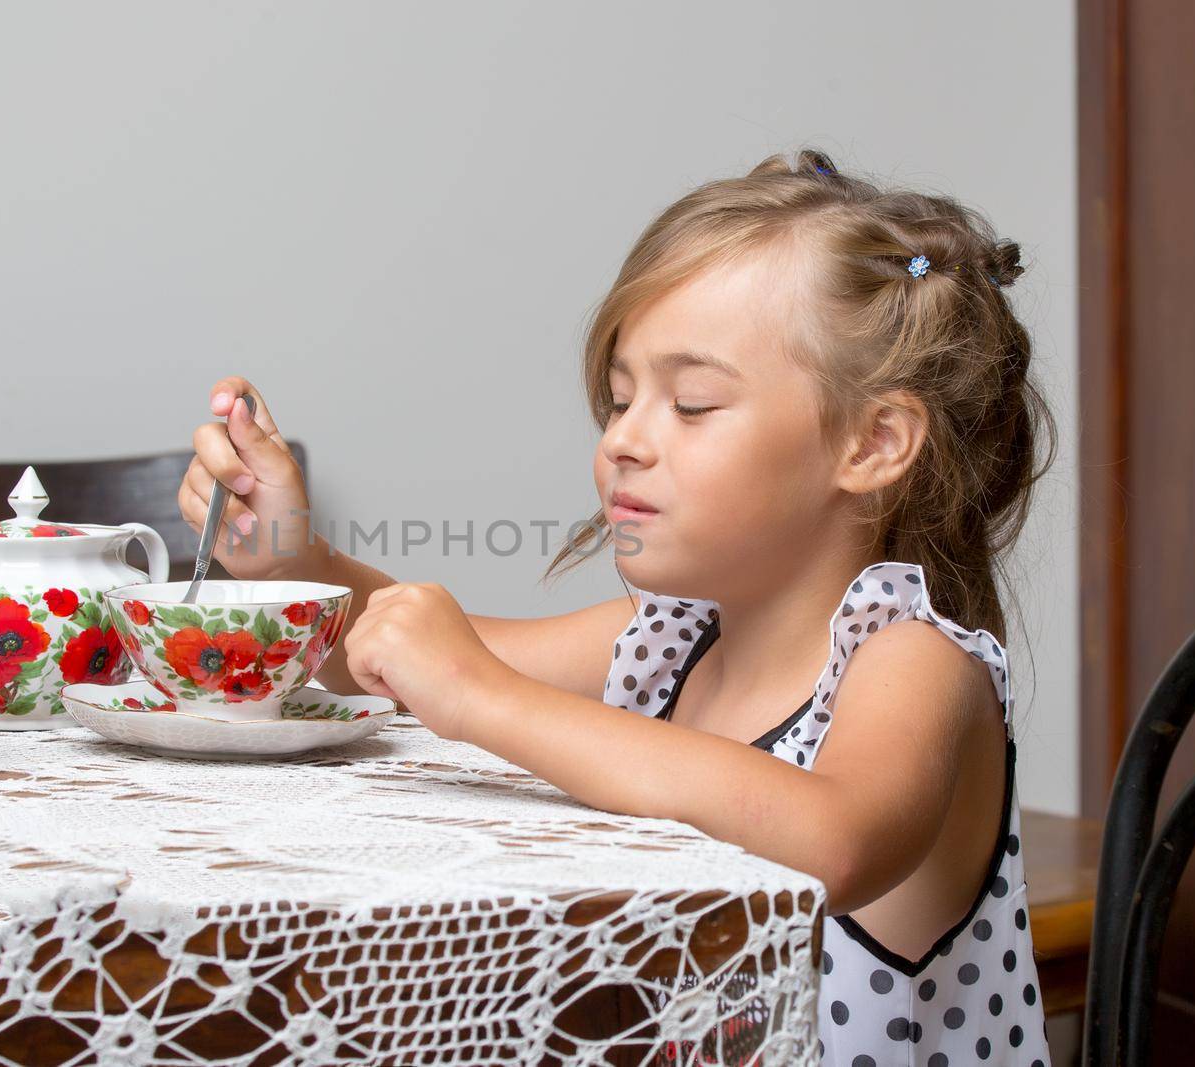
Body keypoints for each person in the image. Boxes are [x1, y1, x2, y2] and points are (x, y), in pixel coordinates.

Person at [178, 147, 1055, 1066]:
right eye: (622, 399)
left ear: (873, 443)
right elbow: (396, 655)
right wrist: (292, 557)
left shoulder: (918, 659)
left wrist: (484, 697)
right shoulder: (666, 643)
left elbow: (830, 842)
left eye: (691, 402)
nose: (623, 441)